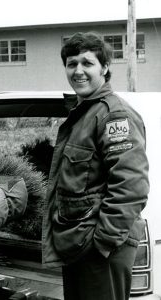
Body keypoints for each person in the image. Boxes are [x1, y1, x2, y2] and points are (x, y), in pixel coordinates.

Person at [42, 32, 149, 300]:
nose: (78, 71)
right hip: (79, 245)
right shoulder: (84, 113)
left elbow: (131, 187)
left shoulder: (113, 115)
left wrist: (102, 244)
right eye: (71, 63)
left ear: (105, 67)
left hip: (100, 251)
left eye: (87, 63)